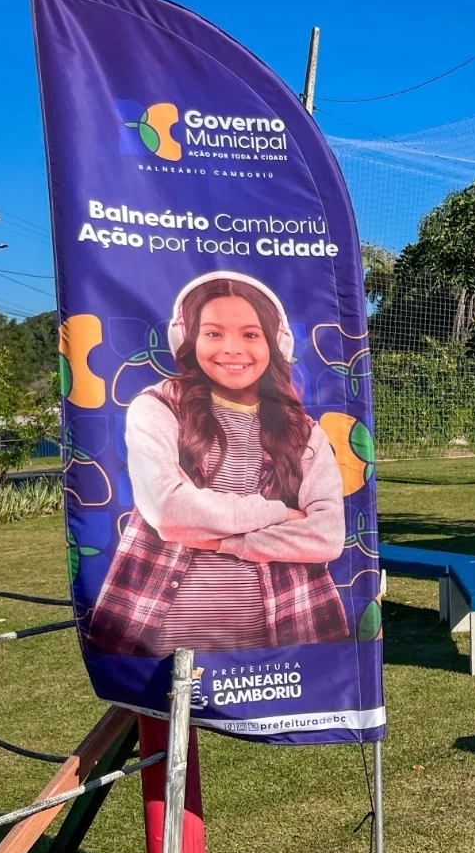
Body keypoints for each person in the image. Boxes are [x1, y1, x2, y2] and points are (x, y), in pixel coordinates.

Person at [87, 272, 351, 657]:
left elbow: (327, 535)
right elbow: (168, 509)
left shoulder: (304, 432)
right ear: (189, 339)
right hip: (160, 635)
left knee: (287, 718)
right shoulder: (158, 407)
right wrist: (279, 511)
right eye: (213, 333)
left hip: (287, 630)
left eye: (250, 334)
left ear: (275, 343)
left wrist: (220, 538)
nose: (231, 348)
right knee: (158, 716)